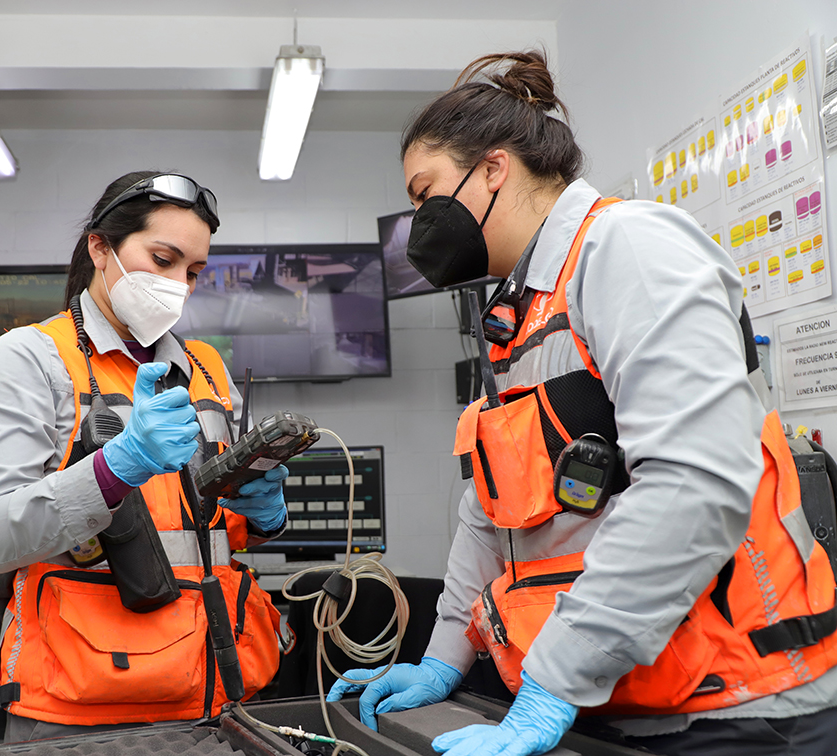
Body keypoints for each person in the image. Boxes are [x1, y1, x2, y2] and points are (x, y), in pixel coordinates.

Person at [328, 50, 837, 756]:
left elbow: (695, 485)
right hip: (609, 699)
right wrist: (447, 655)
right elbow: (492, 509)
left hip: (732, 710)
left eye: (425, 193)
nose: (420, 222)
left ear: (494, 170)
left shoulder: (628, 249)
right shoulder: (520, 314)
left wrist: (553, 683)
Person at [0, 171, 287, 742]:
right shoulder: (31, 359)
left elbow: (205, 534)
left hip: (215, 691)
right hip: (83, 709)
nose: (178, 285)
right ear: (100, 247)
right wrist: (118, 467)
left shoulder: (206, 367)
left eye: (193, 272)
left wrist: (259, 513)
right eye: (162, 259)